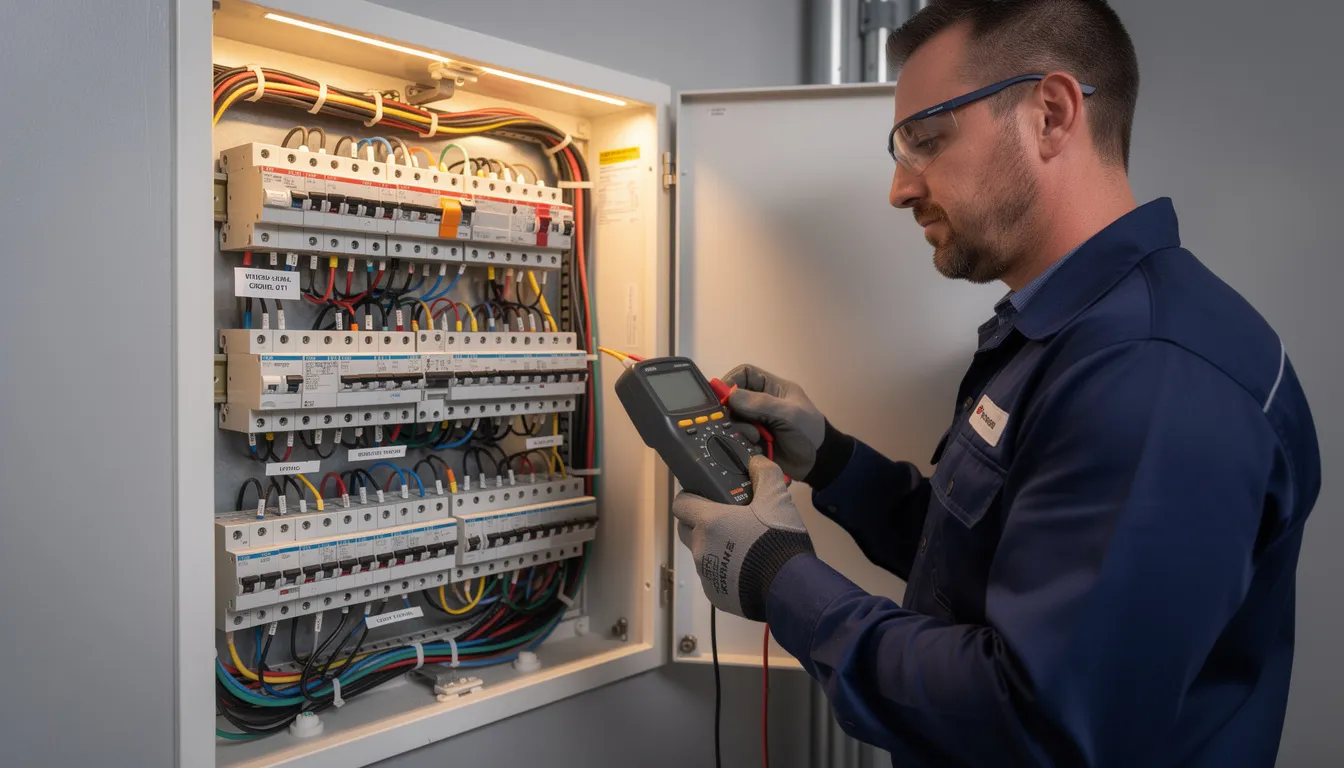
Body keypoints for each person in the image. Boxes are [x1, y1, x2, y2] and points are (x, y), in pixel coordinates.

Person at [670, 1, 1321, 765]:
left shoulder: (1150, 374)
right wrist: (835, 461)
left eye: (925, 141)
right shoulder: (1067, 336)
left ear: (1050, 114)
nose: (899, 189)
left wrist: (780, 578)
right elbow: (999, 569)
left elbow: (1035, 725)